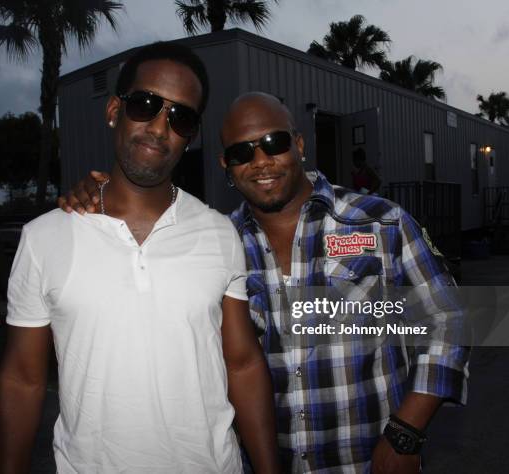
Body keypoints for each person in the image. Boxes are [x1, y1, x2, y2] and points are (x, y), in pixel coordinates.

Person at [61, 92, 469, 474]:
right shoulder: (216, 245)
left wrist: (405, 434)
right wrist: (97, 198)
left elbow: (449, 316)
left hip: (371, 460)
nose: (260, 161)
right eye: (242, 152)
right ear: (226, 165)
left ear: (299, 145)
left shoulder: (382, 222)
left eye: (273, 143)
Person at [0, 44, 280, 474]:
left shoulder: (220, 233)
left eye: (180, 117)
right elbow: (22, 379)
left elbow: (242, 362)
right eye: (146, 105)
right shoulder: (44, 238)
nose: (160, 128)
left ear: (191, 136)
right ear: (114, 110)